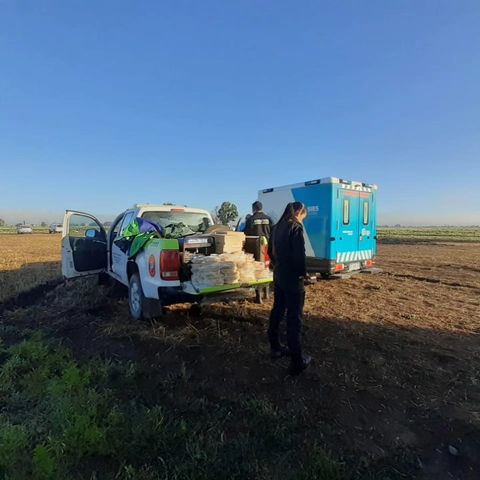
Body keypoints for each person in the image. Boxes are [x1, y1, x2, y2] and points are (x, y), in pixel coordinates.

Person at [267, 201, 312, 375]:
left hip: (279, 276)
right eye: (303, 217)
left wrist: (278, 266)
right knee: (294, 319)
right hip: (293, 279)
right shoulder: (295, 228)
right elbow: (299, 256)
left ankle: (275, 347)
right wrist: (303, 274)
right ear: (299, 212)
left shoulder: (276, 227)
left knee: (277, 311)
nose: (302, 220)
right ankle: (297, 361)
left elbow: (270, 253)